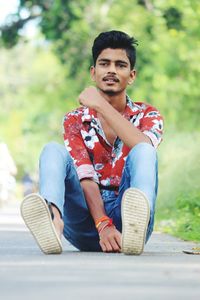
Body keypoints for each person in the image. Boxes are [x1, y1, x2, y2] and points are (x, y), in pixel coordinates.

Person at [21, 30, 164, 255]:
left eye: (120, 65)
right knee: (52, 150)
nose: (111, 70)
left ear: (132, 75)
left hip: (129, 221)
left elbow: (143, 148)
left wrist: (100, 105)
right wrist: (103, 224)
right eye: (104, 63)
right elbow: (85, 175)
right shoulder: (75, 120)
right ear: (93, 72)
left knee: (145, 150)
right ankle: (53, 221)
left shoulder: (148, 115)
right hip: (86, 224)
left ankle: (135, 230)